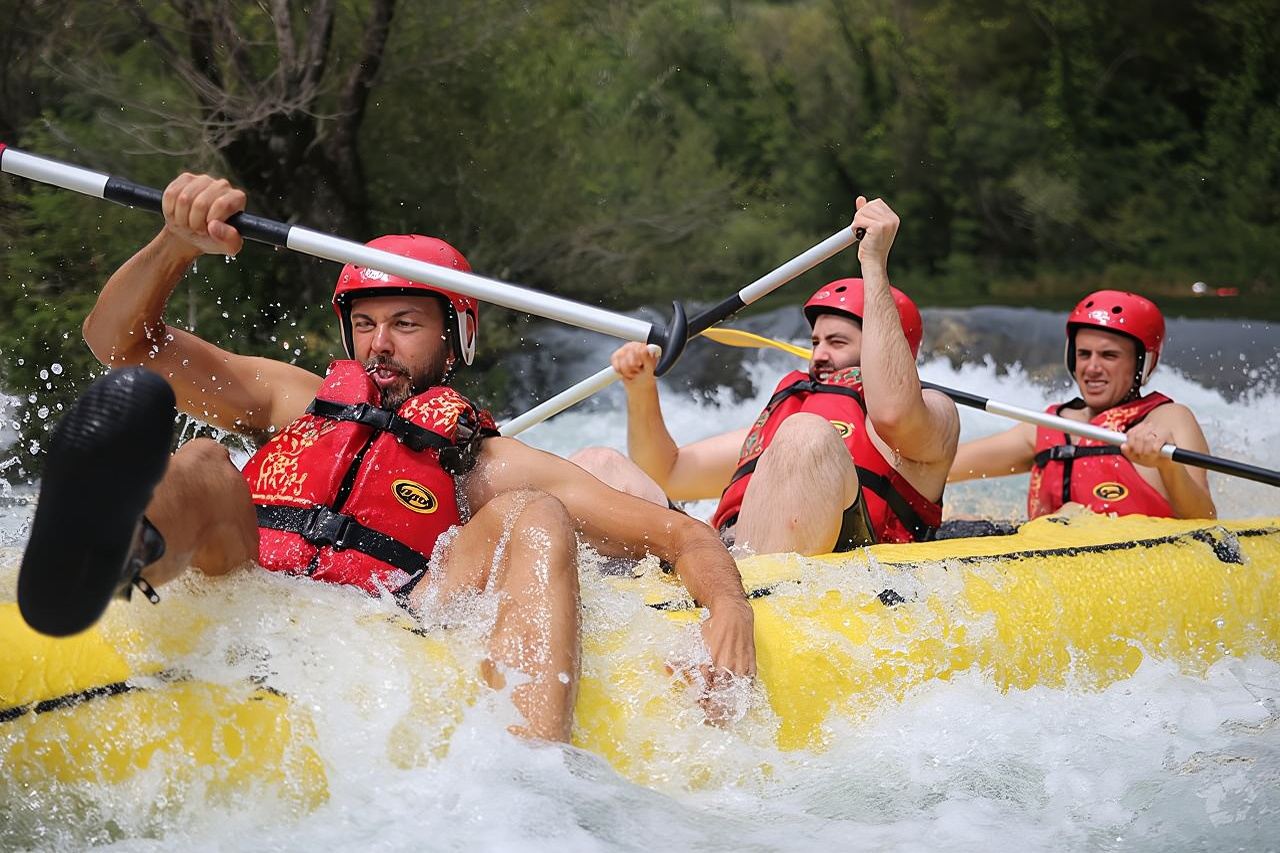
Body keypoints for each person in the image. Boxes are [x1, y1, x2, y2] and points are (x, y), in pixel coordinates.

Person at [16, 173, 756, 743]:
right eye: (366, 323)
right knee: (209, 459)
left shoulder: (488, 459)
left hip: (385, 613)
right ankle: (105, 555)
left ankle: (533, 774)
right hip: (244, 575)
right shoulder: (293, 398)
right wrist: (176, 242)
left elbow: (679, 534)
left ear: (454, 337)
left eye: (405, 323)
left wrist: (727, 604)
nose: (379, 343)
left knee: (538, 514)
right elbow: (120, 345)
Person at [571, 197, 960, 556]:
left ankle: (750, 599)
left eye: (837, 342)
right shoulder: (781, 424)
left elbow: (893, 412)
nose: (820, 353)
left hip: (828, 567)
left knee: (804, 435)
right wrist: (642, 389)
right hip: (721, 557)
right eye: (815, 341)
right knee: (595, 464)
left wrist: (874, 265)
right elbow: (667, 473)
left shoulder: (934, 418)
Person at [948, 290, 1217, 520]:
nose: (1092, 368)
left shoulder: (1170, 419)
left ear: (1142, 364)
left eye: (1109, 355)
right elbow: (944, 466)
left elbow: (1204, 520)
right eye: (1084, 354)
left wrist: (1168, 466)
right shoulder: (1047, 427)